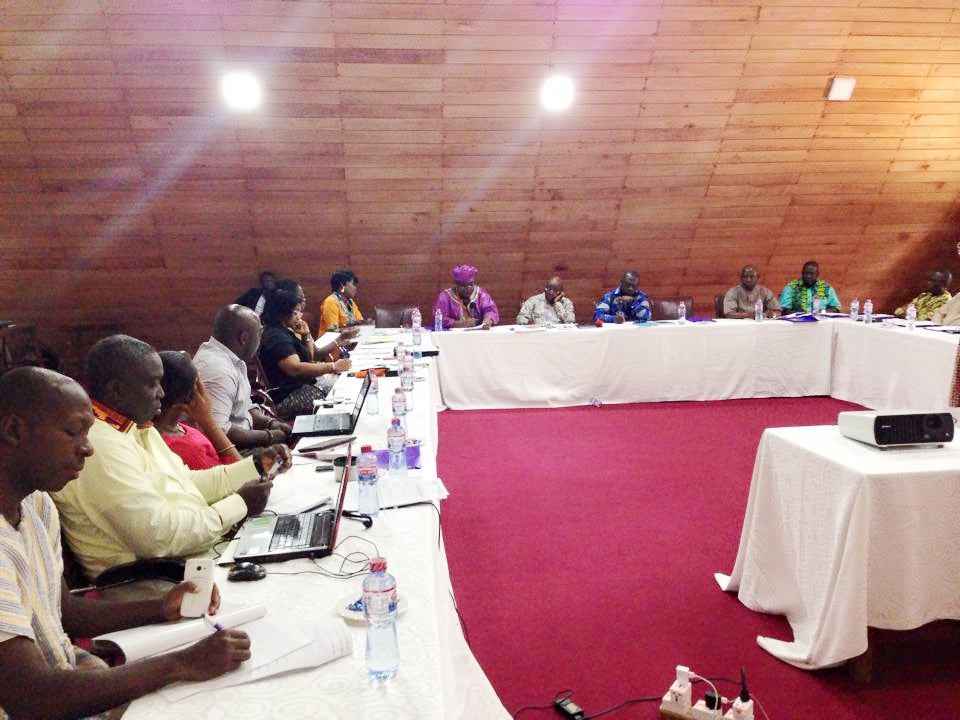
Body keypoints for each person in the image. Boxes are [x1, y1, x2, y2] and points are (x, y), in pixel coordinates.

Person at [0, 367, 251, 719]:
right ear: (14, 430)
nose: (87, 448)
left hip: (67, 674)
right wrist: (181, 664)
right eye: (73, 432)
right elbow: (32, 697)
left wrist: (162, 607)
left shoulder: (37, 505)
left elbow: (66, 612)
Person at [50, 335, 290, 580]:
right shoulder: (99, 446)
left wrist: (257, 465)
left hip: (198, 557)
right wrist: (239, 504)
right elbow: (158, 537)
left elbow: (187, 482)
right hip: (159, 583)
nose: (162, 393)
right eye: (153, 384)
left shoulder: (133, 427)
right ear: (117, 390)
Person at [193, 304, 291, 451]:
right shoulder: (218, 370)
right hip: (231, 453)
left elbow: (244, 408)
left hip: (244, 444)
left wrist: (270, 423)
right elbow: (218, 433)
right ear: (244, 338)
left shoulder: (233, 359)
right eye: (259, 334)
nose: (261, 340)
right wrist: (269, 436)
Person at [259, 282, 352, 418]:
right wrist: (333, 366)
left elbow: (309, 358)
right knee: (343, 392)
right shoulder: (276, 336)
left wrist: (306, 335)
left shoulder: (283, 330)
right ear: (284, 312)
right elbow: (295, 368)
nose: (299, 316)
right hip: (287, 397)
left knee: (345, 384)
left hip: (302, 387)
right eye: (295, 311)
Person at [156, 351, 242, 471]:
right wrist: (208, 421)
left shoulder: (180, 429)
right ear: (192, 394)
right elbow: (243, 474)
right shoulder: (181, 447)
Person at [433, 264, 500, 329]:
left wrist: (488, 319)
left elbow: (491, 310)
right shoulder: (445, 297)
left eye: (471, 284)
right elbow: (439, 318)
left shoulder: (481, 294)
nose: (468, 289)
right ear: (456, 284)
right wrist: (459, 324)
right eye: (463, 286)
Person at [317, 269, 371, 334]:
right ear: (342, 285)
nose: (355, 288)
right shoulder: (330, 302)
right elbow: (333, 331)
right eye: (353, 284)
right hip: (333, 340)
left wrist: (366, 323)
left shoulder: (350, 302)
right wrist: (352, 329)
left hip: (349, 338)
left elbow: (360, 322)